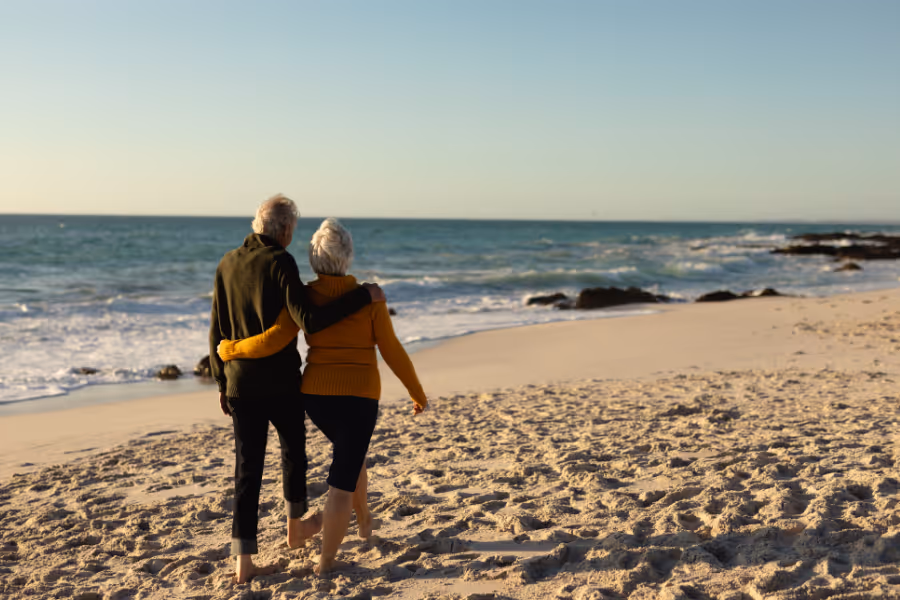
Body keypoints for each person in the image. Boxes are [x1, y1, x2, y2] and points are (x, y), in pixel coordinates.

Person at [218, 217, 428, 575]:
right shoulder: (371, 298)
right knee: (341, 482)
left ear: (314, 259)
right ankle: (326, 561)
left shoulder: (304, 296)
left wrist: (231, 350)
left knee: (352, 455)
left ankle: (365, 524)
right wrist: (416, 392)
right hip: (360, 398)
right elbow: (391, 349)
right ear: (347, 257)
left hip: (314, 397)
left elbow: (275, 338)